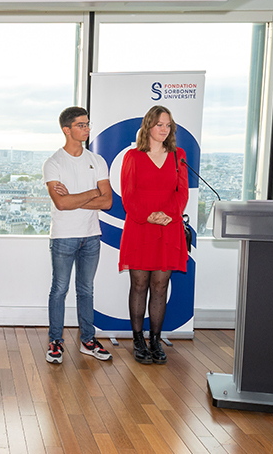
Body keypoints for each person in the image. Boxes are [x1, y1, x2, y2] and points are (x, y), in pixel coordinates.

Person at [118, 105, 189, 365]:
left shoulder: (178, 155)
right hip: (140, 225)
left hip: (168, 227)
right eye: (160, 124)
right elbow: (128, 194)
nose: (164, 129)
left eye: (168, 125)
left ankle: (155, 340)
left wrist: (169, 214)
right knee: (139, 285)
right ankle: (138, 340)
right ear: (148, 125)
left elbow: (182, 192)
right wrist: (148, 216)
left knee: (160, 286)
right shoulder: (132, 157)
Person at [43, 107, 113, 364]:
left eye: (87, 124)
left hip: (91, 235)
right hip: (63, 236)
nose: (87, 129)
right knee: (59, 290)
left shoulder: (98, 160)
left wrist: (75, 197)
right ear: (66, 129)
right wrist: (93, 192)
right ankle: (55, 341)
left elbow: (108, 202)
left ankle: (88, 340)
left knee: (86, 290)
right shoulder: (53, 163)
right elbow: (61, 204)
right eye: (81, 125)